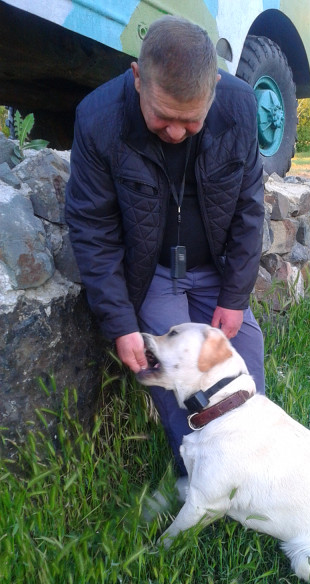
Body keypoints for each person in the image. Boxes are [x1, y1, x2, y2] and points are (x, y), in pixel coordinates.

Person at [65, 16, 265, 478]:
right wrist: (120, 323)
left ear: (214, 87)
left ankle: (249, 477)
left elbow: (249, 209)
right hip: (151, 271)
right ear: (138, 78)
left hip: (214, 268)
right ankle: (196, 479)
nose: (176, 133)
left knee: (245, 374)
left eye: (191, 120)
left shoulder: (239, 107)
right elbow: (92, 228)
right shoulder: (98, 119)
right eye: (163, 117)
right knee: (176, 381)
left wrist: (234, 297)